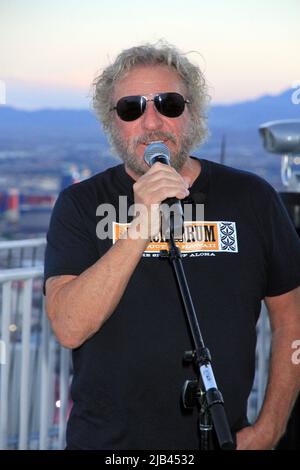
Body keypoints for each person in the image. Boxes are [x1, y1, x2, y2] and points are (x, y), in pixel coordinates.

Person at [44, 42, 300, 450]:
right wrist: (143, 220)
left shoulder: (251, 198)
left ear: (192, 112)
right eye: (132, 108)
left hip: (221, 439)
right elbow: (69, 326)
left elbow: (292, 318)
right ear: (114, 123)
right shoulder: (80, 204)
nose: (152, 122)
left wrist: (271, 427)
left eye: (168, 104)